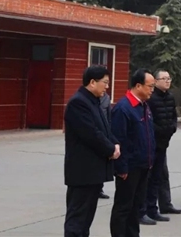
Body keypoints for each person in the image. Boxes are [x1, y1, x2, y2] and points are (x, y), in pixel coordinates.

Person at [64, 66, 120, 237]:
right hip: (82, 172)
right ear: (92, 82)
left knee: (86, 219)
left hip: (93, 172)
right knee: (77, 219)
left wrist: (115, 143)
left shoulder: (94, 101)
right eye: (105, 82)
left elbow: (105, 129)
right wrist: (110, 149)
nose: (107, 87)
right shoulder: (78, 103)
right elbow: (90, 133)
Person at [110, 69, 156, 237]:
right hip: (129, 168)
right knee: (124, 207)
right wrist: (121, 167)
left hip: (144, 165)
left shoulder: (144, 106)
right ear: (138, 86)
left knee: (136, 207)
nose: (152, 90)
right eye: (150, 86)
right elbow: (118, 139)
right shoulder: (123, 108)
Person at [139, 69, 178, 224]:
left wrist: (172, 128)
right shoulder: (150, 99)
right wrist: (160, 131)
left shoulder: (170, 97)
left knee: (157, 178)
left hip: (163, 144)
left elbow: (173, 117)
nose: (167, 81)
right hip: (151, 144)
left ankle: (152, 209)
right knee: (147, 179)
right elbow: (148, 121)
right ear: (156, 81)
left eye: (169, 78)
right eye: (164, 78)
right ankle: (142, 210)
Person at [99, 91, 112, 200]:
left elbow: (109, 115)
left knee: (102, 161)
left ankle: (99, 188)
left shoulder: (107, 98)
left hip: (104, 131)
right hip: (94, 130)